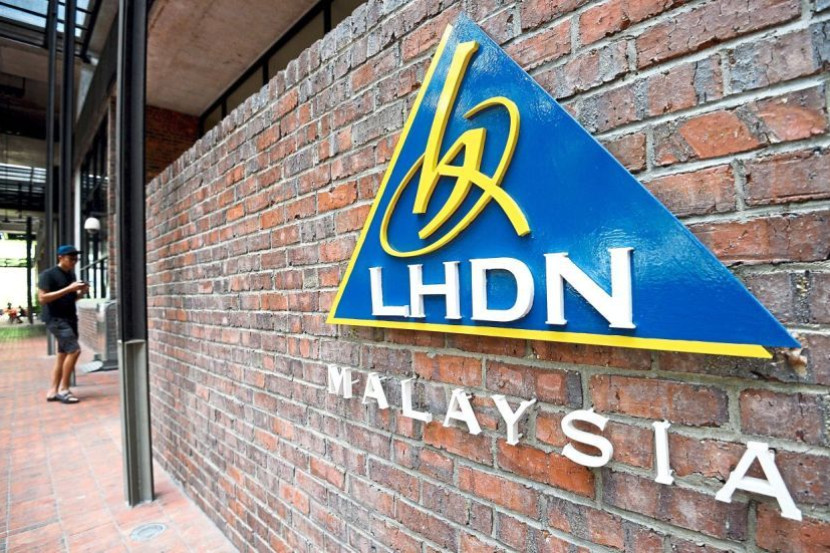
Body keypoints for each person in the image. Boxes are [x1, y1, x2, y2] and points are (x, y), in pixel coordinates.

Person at [38, 245, 89, 404]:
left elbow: (71, 298)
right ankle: (64, 390)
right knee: (74, 350)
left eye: (76, 259)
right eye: (71, 258)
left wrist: (81, 292)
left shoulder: (71, 275)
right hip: (56, 319)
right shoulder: (48, 275)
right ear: (60, 257)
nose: (74, 261)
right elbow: (42, 298)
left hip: (70, 318)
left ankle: (53, 390)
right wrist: (69, 288)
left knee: (62, 355)